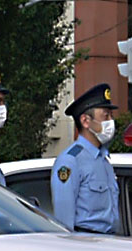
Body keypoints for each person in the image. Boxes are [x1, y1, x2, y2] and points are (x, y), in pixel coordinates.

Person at [51, 83, 120, 234]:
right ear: (85, 121)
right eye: (105, 116)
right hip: (86, 244)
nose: (110, 121)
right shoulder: (70, 161)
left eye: (111, 116)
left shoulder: (103, 159)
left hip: (110, 243)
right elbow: (64, 222)